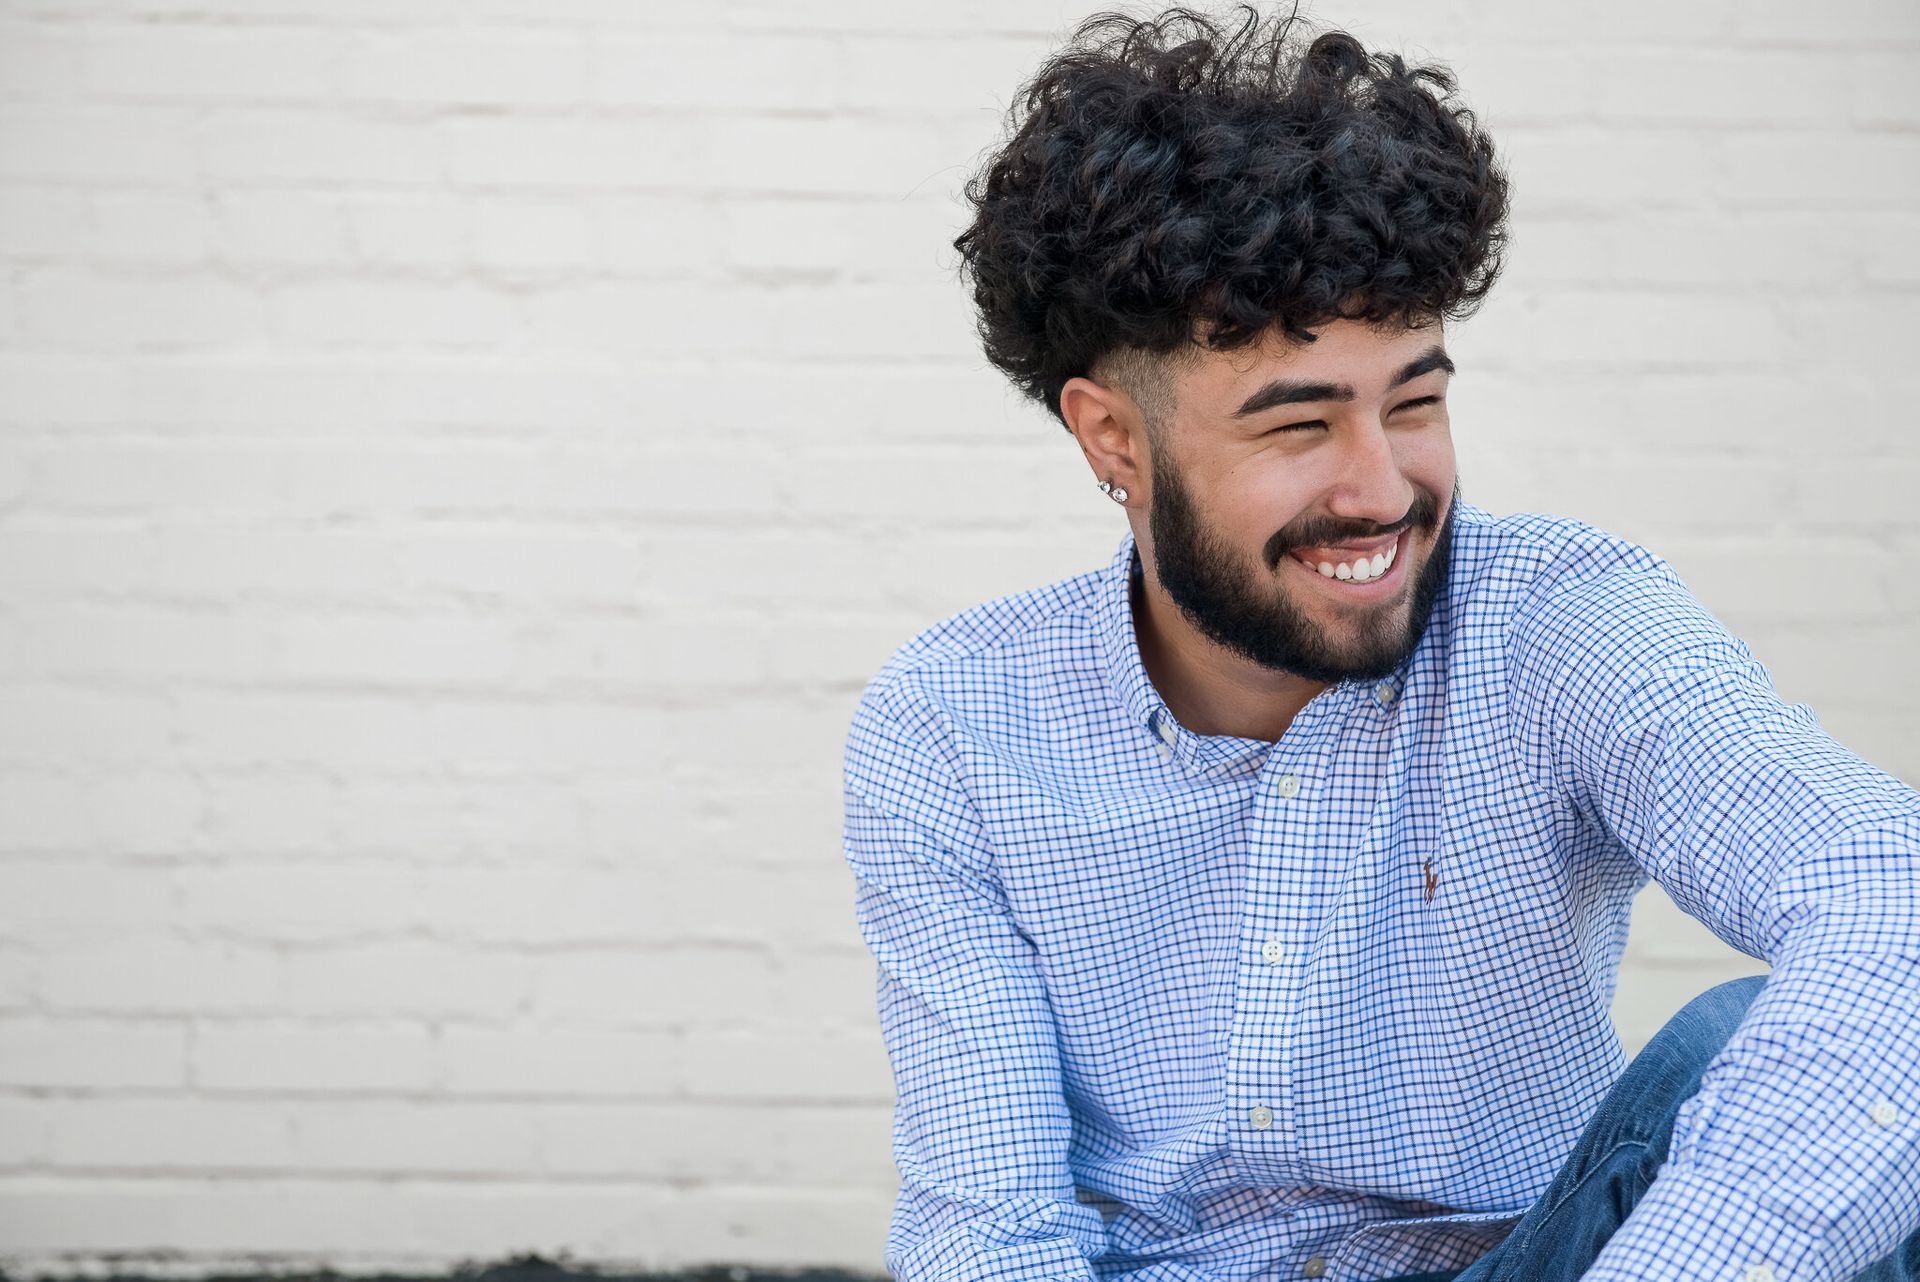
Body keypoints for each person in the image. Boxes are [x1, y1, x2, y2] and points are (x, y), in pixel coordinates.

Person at [838, 6, 1920, 1280]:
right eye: (1299, 427)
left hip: (1535, 1262)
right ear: (1113, 441)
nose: (1383, 489)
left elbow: (1886, 892)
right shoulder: (954, 723)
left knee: (1779, 1047)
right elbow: (990, 1229)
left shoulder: (1556, 622)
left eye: (1413, 403)